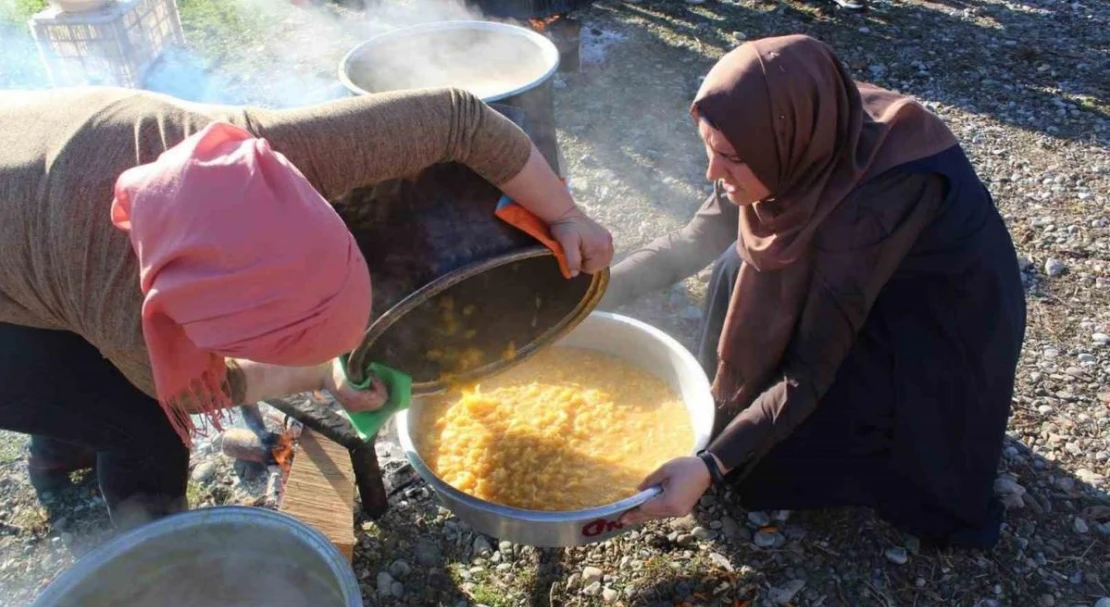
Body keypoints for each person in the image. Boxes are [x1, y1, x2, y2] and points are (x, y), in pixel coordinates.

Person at [0, 85, 613, 530]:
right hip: (21, 269)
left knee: (89, 377)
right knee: (138, 425)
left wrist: (565, 213)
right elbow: (212, 387)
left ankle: (61, 444)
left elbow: (460, 118)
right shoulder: (129, 320)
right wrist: (326, 374)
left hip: (30, 145)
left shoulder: (267, 155)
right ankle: (152, 548)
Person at [614, 34, 1026, 550]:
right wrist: (593, 293)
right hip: (857, 271)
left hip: (931, 320)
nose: (712, 173)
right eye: (708, 148)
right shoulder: (789, 129)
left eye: (729, 158)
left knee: (796, 448)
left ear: (779, 148)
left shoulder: (870, 207)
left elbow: (810, 371)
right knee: (733, 263)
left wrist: (712, 464)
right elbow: (696, 237)